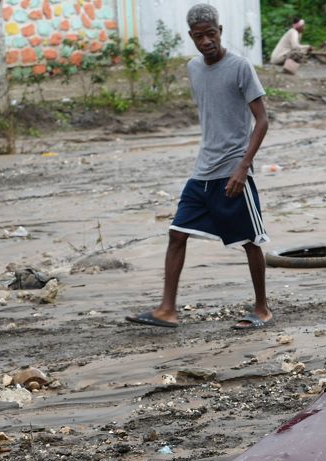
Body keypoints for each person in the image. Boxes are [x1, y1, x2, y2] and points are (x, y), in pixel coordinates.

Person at [127, 3, 272, 330]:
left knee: (250, 241)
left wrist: (243, 167)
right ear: (191, 37)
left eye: (210, 34)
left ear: (220, 31)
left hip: (233, 171)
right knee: (177, 233)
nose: (205, 41)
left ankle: (262, 308)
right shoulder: (193, 68)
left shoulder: (240, 67)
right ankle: (167, 309)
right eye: (198, 36)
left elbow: (262, 120)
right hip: (202, 172)